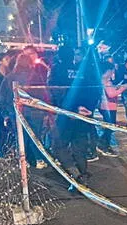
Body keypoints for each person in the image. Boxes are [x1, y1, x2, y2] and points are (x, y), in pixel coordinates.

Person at [53, 48, 101, 187]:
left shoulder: (59, 70)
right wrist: (88, 108)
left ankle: (76, 174)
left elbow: (57, 93)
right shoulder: (84, 71)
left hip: (67, 115)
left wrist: (73, 109)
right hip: (82, 114)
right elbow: (95, 91)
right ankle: (83, 173)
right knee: (79, 145)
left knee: (59, 145)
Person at [0, 53, 49, 168]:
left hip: (16, 112)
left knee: (20, 137)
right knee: (35, 136)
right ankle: (39, 159)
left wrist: (6, 112)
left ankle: (22, 161)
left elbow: (2, 96)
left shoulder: (10, 77)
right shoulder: (36, 76)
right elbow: (42, 94)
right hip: (34, 111)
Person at [98, 62, 127, 156]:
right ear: (108, 71)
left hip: (106, 106)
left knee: (110, 127)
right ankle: (103, 145)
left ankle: (103, 144)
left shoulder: (103, 80)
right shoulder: (106, 81)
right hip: (108, 107)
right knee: (110, 127)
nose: (112, 73)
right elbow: (111, 94)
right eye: (112, 71)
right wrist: (123, 88)